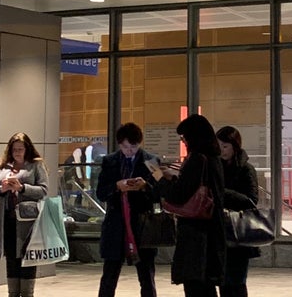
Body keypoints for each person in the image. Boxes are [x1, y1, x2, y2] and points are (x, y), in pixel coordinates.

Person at [152, 114, 226, 297]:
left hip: (196, 233)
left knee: (195, 286)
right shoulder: (213, 158)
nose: (183, 141)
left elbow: (178, 196)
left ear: (194, 136)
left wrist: (159, 178)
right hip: (211, 229)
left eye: (184, 137)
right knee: (206, 285)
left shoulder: (197, 159)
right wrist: (175, 177)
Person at [96, 122, 160, 297]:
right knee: (110, 274)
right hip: (116, 223)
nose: (129, 151)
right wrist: (117, 186)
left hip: (142, 223)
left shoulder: (152, 161)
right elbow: (100, 193)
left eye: (133, 146)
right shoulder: (109, 161)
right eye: (125, 147)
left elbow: (160, 194)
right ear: (119, 144)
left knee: (146, 274)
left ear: (139, 144)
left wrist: (145, 186)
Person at [0, 132, 49, 297]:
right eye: (14, 149)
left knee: (27, 259)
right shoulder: (2, 168)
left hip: (28, 223)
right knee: (11, 260)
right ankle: (13, 293)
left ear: (27, 149)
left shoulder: (36, 166)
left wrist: (22, 188)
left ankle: (27, 293)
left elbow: (44, 190)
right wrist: (2, 189)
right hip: (7, 221)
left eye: (20, 149)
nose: (17, 153)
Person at [216, 125, 260, 297]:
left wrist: (222, 191)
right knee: (223, 281)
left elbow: (251, 200)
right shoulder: (216, 167)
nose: (222, 150)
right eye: (218, 145)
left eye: (225, 146)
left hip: (239, 232)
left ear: (235, 146)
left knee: (237, 281)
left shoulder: (246, 169)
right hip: (220, 231)